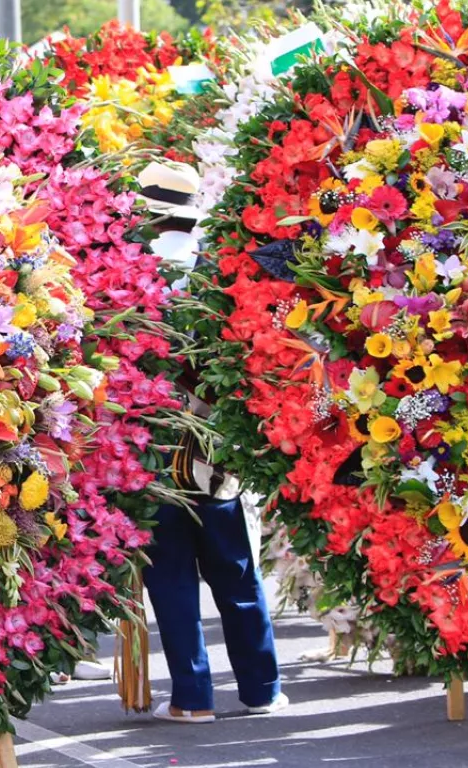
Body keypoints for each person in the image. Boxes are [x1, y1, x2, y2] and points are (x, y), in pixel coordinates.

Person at [136, 161, 289, 724]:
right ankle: (261, 688)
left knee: (171, 579)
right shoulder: (215, 273)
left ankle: (192, 698)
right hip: (213, 451)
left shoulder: (131, 274)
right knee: (235, 573)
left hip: (149, 451)